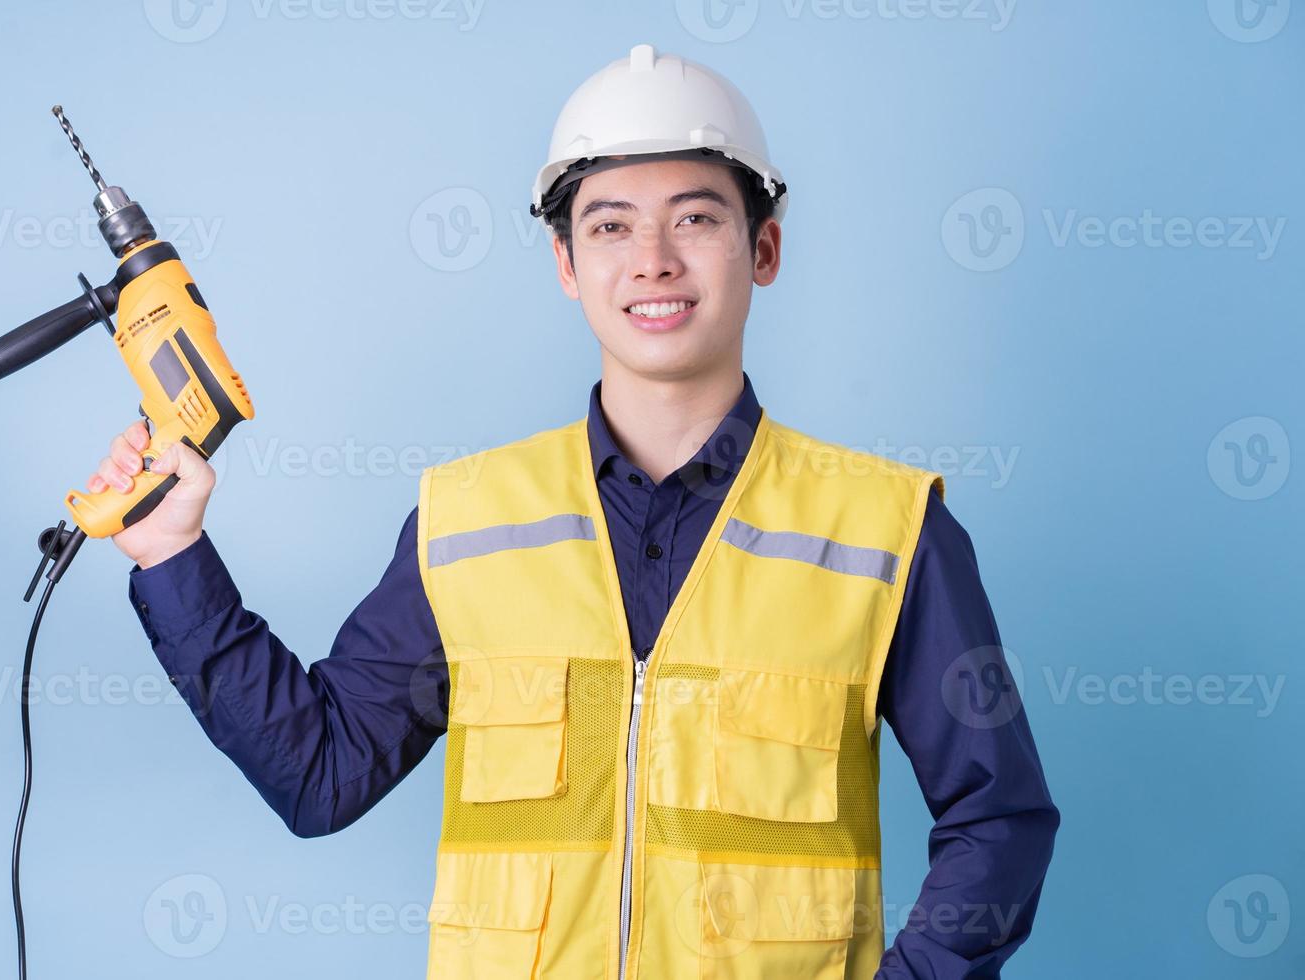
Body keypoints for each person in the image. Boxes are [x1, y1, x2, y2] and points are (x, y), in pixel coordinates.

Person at [88, 43, 1058, 980]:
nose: (650, 260)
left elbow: (998, 818)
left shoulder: (887, 529)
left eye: (695, 219)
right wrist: (173, 556)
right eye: (607, 225)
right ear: (563, 261)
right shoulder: (463, 522)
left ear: (762, 247)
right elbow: (319, 771)